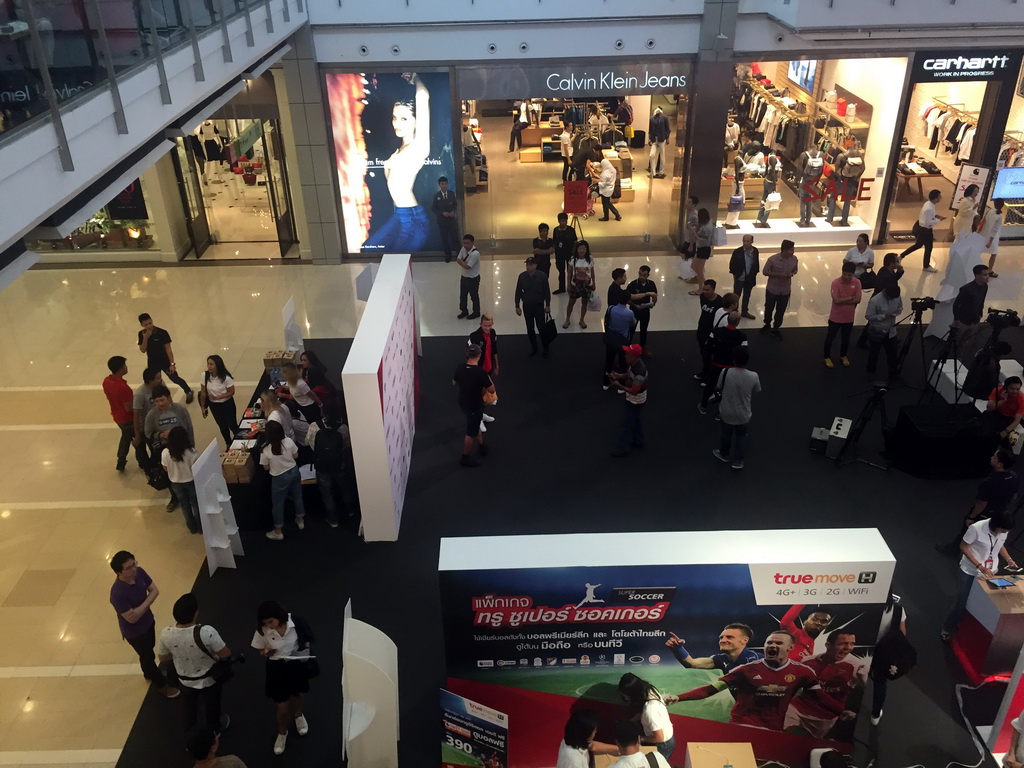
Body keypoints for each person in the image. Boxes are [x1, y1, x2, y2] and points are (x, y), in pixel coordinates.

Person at [666, 630, 842, 732]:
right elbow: (710, 689)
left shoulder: (803, 672)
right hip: (743, 723)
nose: (772, 646)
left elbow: (818, 696)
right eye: (769, 643)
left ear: (790, 648)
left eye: (778, 643)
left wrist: (841, 711)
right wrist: (678, 698)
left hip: (774, 727)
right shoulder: (745, 670)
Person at [361, 73, 430, 252]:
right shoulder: (398, 150)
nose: (396, 123)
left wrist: (416, 78)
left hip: (412, 220)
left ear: (416, 121)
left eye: (404, 118)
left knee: (397, 262)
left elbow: (422, 96)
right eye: (394, 117)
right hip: (399, 215)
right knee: (369, 249)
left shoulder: (419, 147)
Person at [158, 593, 232, 735]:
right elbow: (225, 653)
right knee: (212, 705)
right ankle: (214, 730)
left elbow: (163, 658)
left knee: (189, 708)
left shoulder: (166, 634)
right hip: (210, 678)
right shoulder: (206, 632)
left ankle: (191, 737)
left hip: (185, 679)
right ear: (195, 614)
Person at [108, 551, 179, 699]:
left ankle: (148, 672)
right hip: (134, 633)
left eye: (134, 564)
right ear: (119, 572)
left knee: (148, 650)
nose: (133, 569)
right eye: (128, 568)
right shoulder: (117, 593)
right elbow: (131, 619)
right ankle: (161, 685)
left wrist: (141, 608)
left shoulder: (139, 573)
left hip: (148, 621)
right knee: (148, 657)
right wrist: (146, 604)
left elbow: (155, 590)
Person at [941, 511, 1018, 641]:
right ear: (996, 524)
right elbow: (963, 547)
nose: (1004, 532)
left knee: (979, 603)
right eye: (1003, 529)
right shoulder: (976, 528)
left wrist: (1009, 559)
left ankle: (965, 625)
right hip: (970, 571)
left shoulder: (1003, 530)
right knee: (961, 602)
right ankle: (947, 627)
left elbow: (1000, 545)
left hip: (990, 572)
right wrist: (979, 565)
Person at [251, 601, 315, 755]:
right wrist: (266, 652)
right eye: (265, 623)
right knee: (282, 706)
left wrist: (305, 649)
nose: (269, 626)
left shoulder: (296, 622)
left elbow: (308, 639)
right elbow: (260, 650)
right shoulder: (263, 631)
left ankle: (299, 715)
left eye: (271, 621)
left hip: (296, 664)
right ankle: (282, 732)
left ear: (279, 616)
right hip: (276, 668)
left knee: (299, 694)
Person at [938, 449, 1021, 555]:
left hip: (985, 513)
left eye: (994, 457)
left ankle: (954, 551)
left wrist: (971, 517)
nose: (992, 457)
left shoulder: (990, 482)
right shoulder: (1014, 477)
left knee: (967, 531)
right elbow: (1014, 495)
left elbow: (982, 503)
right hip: (1000, 511)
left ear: (1000, 464)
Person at [784, 633, 865, 739]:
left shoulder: (857, 667)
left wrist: (863, 680)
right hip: (798, 707)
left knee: (807, 743)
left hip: (825, 716)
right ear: (828, 645)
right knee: (782, 733)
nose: (848, 648)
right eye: (843, 644)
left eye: (852, 644)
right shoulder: (808, 661)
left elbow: (869, 692)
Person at [145, 385, 195, 512]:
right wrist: (161, 435)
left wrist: (191, 445)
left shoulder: (180, 410)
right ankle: (175, 497)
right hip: (165, 450)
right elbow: (148, 433)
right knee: (171, 476)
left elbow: (189, 427)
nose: (160, 403)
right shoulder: (152, 415)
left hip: (183, 447)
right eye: (156, 401)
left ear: (169, 398)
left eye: (162, 400)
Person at [712, 347, 761, 470]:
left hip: (726, 410)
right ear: (747, 361)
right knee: (741, 436)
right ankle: (738, 461)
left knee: (725, 434)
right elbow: (757, 389)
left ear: (734, 360)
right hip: (743, 413)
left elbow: (718, 386)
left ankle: (724, 454)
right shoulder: (753, 376)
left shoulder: (725, 372)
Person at [260, 420, 305, 540]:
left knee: (278, 503)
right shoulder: (288, 441)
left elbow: (265, 467)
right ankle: (300, 518)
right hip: (294, 471)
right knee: (297, 496)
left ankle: (278, 530)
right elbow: (296, 455)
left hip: (279, 477)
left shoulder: (266, 449)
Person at [307, 399, 348, 528]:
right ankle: (350, 511)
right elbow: (347, 445)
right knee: (344, 488)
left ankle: (333, 519)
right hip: (339, 463)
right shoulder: (342, 428)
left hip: (322, 465)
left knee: (327, 494)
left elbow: (309, 442)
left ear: (322, 412)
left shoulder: (314, 426)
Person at [869, 591, 908, 725]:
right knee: (880, 684)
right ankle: (875, 715)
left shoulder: (867, 607)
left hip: (864, 649)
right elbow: (902, 634)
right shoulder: (898, 610)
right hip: (884, 653)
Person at [452, 344, 495, 467]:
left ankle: (481, 445)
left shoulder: (460, 367)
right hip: (475, 405)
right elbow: (492, 390)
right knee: (471, 432)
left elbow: (454, 382)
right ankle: (465, 457)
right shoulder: (481, 373)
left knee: (475, 424)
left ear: (467, 355)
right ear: (479, 355)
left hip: (463, 402)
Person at [138, 313, 194, 403]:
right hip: (152, 363)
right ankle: (159, 398)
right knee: (155, 382)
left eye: (150, 323)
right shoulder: (141, 334)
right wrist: (145, 338)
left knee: (175, 378)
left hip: (165, 362)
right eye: (146, 325)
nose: (149, 326)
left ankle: (188, 391)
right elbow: (143, 350)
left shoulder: (162, 332)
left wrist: (172, 364)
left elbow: (168, 349)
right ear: (142, 325)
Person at [664, 622, 762, 673]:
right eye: (721, 637)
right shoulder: (721, 659)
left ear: (745, 640)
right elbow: (691, 663)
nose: (723, 640)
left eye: (729, 637)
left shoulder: (758, 660)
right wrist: (678, 648)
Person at [617, 673, 674, 760]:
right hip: (663, 739)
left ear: (633, 695)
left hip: (662, 745)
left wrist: (640, 739)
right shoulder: (649, 690)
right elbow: (642, 711)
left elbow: (659, 738)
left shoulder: (650, 711)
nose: (625, 698)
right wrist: (630, 722)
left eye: (626, 696)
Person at [699, 310, 746, 414]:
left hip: (716, 364)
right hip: (731, 368)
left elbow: (708, 347)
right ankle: (721, 412)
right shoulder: (742, 337)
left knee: (710, 385)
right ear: (738, 322)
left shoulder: (716, 332)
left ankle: (703, 405)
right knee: (728, 388)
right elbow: (743, 353)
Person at [610, 344, 648, 457]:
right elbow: (628, 374)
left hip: (635, 400)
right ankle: (638, 440)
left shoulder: (640, 372)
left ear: (634, 356)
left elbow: (634, 391)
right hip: (633, 399)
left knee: (626, 425)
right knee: (635, 420)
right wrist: (619, 376)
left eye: (628, 354)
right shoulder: (634, 364)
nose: (625, 355)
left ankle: (622, 449)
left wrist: (618, 386)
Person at [823, 262, 863, 368]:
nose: (847, 277)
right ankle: (827, 356)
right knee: (830, 337)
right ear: (842, 272)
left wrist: (843, 299)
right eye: (845, 274)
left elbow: (858, 299)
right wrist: (851, 298)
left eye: (849, 275)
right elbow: (836, 300)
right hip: (836, 317)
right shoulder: (835, 283)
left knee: (846, 338)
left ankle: (843, 355)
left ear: (853, 274)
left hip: (849, 317)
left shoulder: (857, 282)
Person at [162, 426, 200, 533]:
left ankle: (191, 527)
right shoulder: (191, 452)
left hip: (175, 483)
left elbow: (165, 468)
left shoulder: (165, 453)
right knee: (195, 504)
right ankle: (200, 526)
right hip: (191, 481)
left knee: (184, 505)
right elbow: (196, 467)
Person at [899, 188, 944, 272]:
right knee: (928, 247)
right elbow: (928, 223)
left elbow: (929, 216)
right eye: (939, 196)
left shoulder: (928, 204)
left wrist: (937, 216)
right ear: (935, 198)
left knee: (919, 245)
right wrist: (939, 220)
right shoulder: (929, 208)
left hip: (921, 227)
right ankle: (926, 266)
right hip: (925, 230)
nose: (941, 198)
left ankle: (901, 256)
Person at [103, 355, 136, 472]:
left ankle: (121, 460)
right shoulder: (123, 388)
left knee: (126, 437)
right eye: (125, 365)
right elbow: (129, 407)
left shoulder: (106, 381)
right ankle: (124, 461)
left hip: (117, 415)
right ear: (121, 368)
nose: (126, 367)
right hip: (127, 418)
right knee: (136, 439)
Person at [761, 239, 799, 339]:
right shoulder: (772, 259)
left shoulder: (794, 259)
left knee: (781, 310)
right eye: (791, 250)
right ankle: (767, 323)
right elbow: (765, 272)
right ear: (784, 250)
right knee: (769, 308)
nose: (793, 252)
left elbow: (795, 270)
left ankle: (776, 328)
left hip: (785, 290)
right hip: (772, 289)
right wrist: (778, 274)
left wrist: (792, 273)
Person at [515, 258, 552, 358]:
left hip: (539, 306)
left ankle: (545, 347)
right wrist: (517, 306)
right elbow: (518, 291)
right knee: (530, 328)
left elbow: (546, 292)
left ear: (535, 265)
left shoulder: (542, 276)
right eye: (527, 264)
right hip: (527, 306)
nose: (528, 266)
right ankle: (534, 347)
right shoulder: (522, 277)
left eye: (530, 265)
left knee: (541, 328)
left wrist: (548, 305)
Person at [864, 284, 903, 379]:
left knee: (893, 354)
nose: (893, 299)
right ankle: (870, 371)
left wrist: (896, 313)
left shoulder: (896, 296)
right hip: (877, 331)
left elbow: (900, 307)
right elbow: (868, 316)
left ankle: (893, 374)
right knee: (874, 352)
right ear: (886, 293)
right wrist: (883, 316)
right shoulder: (875, 301)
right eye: (891, 298)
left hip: (891, 331)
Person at [469, 313, 500, 430]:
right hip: (478, 371)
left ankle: (481, 415)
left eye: (489, 325)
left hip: (489, 368)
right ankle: (478, 420)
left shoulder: (493, 333)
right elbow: (470, 356)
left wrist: (496, 365)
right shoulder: (474, 336)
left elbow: (495, 350)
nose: (487, 328)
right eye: (485, 325)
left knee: (484, 395)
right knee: (478, 395)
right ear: (480, 324)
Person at [199, 355, 237, 447]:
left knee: (232, 424)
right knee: (222, 425)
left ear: (217, 365)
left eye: (211, 364)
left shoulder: (226, 378)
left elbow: (231, 392)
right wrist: (203, 407)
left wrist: (218, 397)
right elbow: (203, 392)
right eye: (208, 364)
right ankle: (228, 443)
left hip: (227, 404)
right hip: (214, 406)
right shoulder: (205, 375)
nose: (209, 366)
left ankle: (238, 440)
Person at [952, 264, 991, 350]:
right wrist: (957, 319)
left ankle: (960, 353)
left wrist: (980, 314)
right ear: (977, 276)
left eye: (988, 274)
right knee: (955, 340)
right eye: (985, 274)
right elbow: (956, 305)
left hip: (975, 320)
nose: (988, 277)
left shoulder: (985, 286)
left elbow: (981, 301)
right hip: (963, 321)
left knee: (966, 340)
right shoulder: (966, 289)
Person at [604, 292, 635, 390]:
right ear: (628, 301)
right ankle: (620, 387)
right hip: (623, 340)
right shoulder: (629, 313)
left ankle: (606, 382)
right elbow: (632, 323)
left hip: (611, 338)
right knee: (622, 363)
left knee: (609, 360)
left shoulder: (611, 308)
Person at [695, 280, 725, 380]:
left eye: (707, 290)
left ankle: (710, 374)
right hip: (701, 329)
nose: (705, 292)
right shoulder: (702, 297)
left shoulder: (720, 302)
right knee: (703, 352)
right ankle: (705, 371)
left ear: (714, 289)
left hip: (712, 332)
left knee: (710, 353)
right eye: (704, 289)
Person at [563, 240, 596, 329]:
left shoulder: (590, 258)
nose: (581, 250)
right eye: (580, 248)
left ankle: (582, 319)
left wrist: (594, 283)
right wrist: (568, 285)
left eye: (583, 248)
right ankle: (567, 319)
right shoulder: (573, 259)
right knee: (571, 303)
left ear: (586, 249)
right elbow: (569, 273)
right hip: (575, 285)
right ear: (576, 249)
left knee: (584, 303)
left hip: (587, 285)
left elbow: (592, 272)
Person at [626, 265, 658, 354]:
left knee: (644, 330)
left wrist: (653, 303)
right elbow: (627, 299)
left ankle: (643, 347)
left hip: (645, 311)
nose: (641, 277)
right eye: (640, 274)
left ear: (648, 275)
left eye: (644, 275)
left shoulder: (651, 284)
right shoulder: (632, 285)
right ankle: (628, 347)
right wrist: (634, 305)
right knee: (631, 330)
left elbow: (654, 295)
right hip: (634, 311)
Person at [728, 235, 759, 319]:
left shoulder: (755, 251)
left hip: (749, 278)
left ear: (752, 242)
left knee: (747, 295)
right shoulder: (737, 251)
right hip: (739, 278)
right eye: (744, 241)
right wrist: (735, 276)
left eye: (748, 241)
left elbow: (756, 264)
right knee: (736, 295)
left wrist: (754, 273)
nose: (745, 243)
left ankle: (744, 311)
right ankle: (734, 311)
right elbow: (732, 265)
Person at [985, 378, 1024, 443]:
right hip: (996, 413)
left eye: (1017, 389)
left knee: (993, 434)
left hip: (1008, 418)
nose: (1015, 391)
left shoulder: (1021, 399)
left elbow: (1016, 420)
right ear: (1006, 388)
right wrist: (1002, 400)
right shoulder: (997, 390)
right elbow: (989, 408)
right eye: (1012, 389)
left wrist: (1006, 431)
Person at [432, 176, 459, 262]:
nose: (444, 186)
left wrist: (453, 212)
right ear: (439, 185)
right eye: (442, 184)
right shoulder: (436, 196)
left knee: (455, 238)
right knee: (445, 239)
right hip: (442, 222)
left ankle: (459, 255)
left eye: (446, 184)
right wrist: (442, 213)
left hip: (452, 221)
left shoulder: (451, 194)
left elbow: (455, 204)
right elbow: (433, 208)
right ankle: (448, 256)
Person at [456, 234, 482, 320]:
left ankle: (476, 312)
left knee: (474, 296)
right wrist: (464, 263)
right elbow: (458, 260)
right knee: (462, 296)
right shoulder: (463, 249)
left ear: (472, 243)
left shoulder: (475, 254)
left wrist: (462, 263)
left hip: (473, 279)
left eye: (467, 243)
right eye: (464, 243)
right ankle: (464, 311)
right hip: (464, 277)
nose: (465, 245)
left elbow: (468, 266)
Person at [687, 208, 713, 295]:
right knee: (694, 266)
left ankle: (701, 288)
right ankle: (702, 283)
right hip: (702, 249)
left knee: (699, 270)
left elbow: (702, 240)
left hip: (703, 249)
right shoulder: (708, 223)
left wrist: (694, 232)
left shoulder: (706, 228)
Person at [552, 212, 577, 295]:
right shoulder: (556, 230)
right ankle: (561, 288)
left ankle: (571, 287)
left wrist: (574, 252)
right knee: (561, 271)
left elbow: (575, 242)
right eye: (562, 221)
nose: (564, 222)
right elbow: (554, 242)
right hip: (559, 255)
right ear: (559, 221)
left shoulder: (571, 230)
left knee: (570, 271)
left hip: (569, 254)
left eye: (565, 221)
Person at [982, 198, 1005, 277]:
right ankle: (990, 270)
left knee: (979, 251)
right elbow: (995, 230)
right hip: (993, 238)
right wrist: (990, 242)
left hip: (984, 235)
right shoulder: (999, 216)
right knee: (994, 254)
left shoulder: (989, 211)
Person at [648, 106, 670, 178]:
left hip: (662, 138)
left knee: (662, 155)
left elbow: (667, 129)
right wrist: (650, 139)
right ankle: (653, 171)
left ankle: (661, 171)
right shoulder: (652, 119)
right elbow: (650, 130)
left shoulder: (664, 118)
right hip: (654, 139)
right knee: (652, 155)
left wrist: (667, 138)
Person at [680, 195, 699, 261]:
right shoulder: (690, 214)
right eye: (687, 202)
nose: (686, 204)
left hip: (690, 241)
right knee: (684, 257)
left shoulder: (693, 216)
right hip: (688, 240)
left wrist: (691, 245)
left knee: (686, 258)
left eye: (689, 202)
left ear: (694, 205)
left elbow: (693, 231)